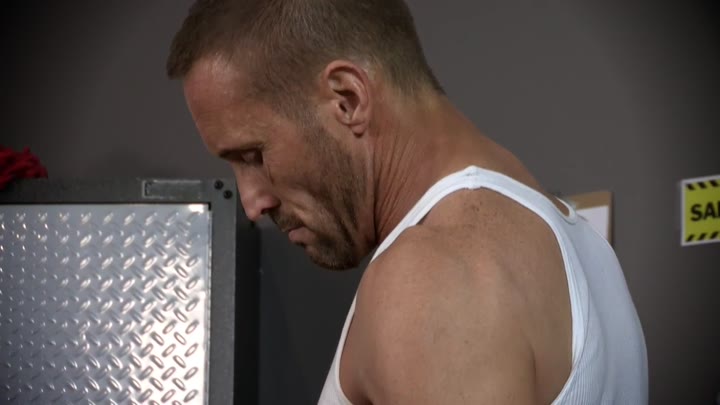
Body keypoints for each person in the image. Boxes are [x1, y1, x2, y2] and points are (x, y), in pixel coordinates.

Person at [167, 0, 648, 403]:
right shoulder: (585, 247)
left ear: (348, 99)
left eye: (254, 155)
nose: (252, 202)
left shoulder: (431, 275)